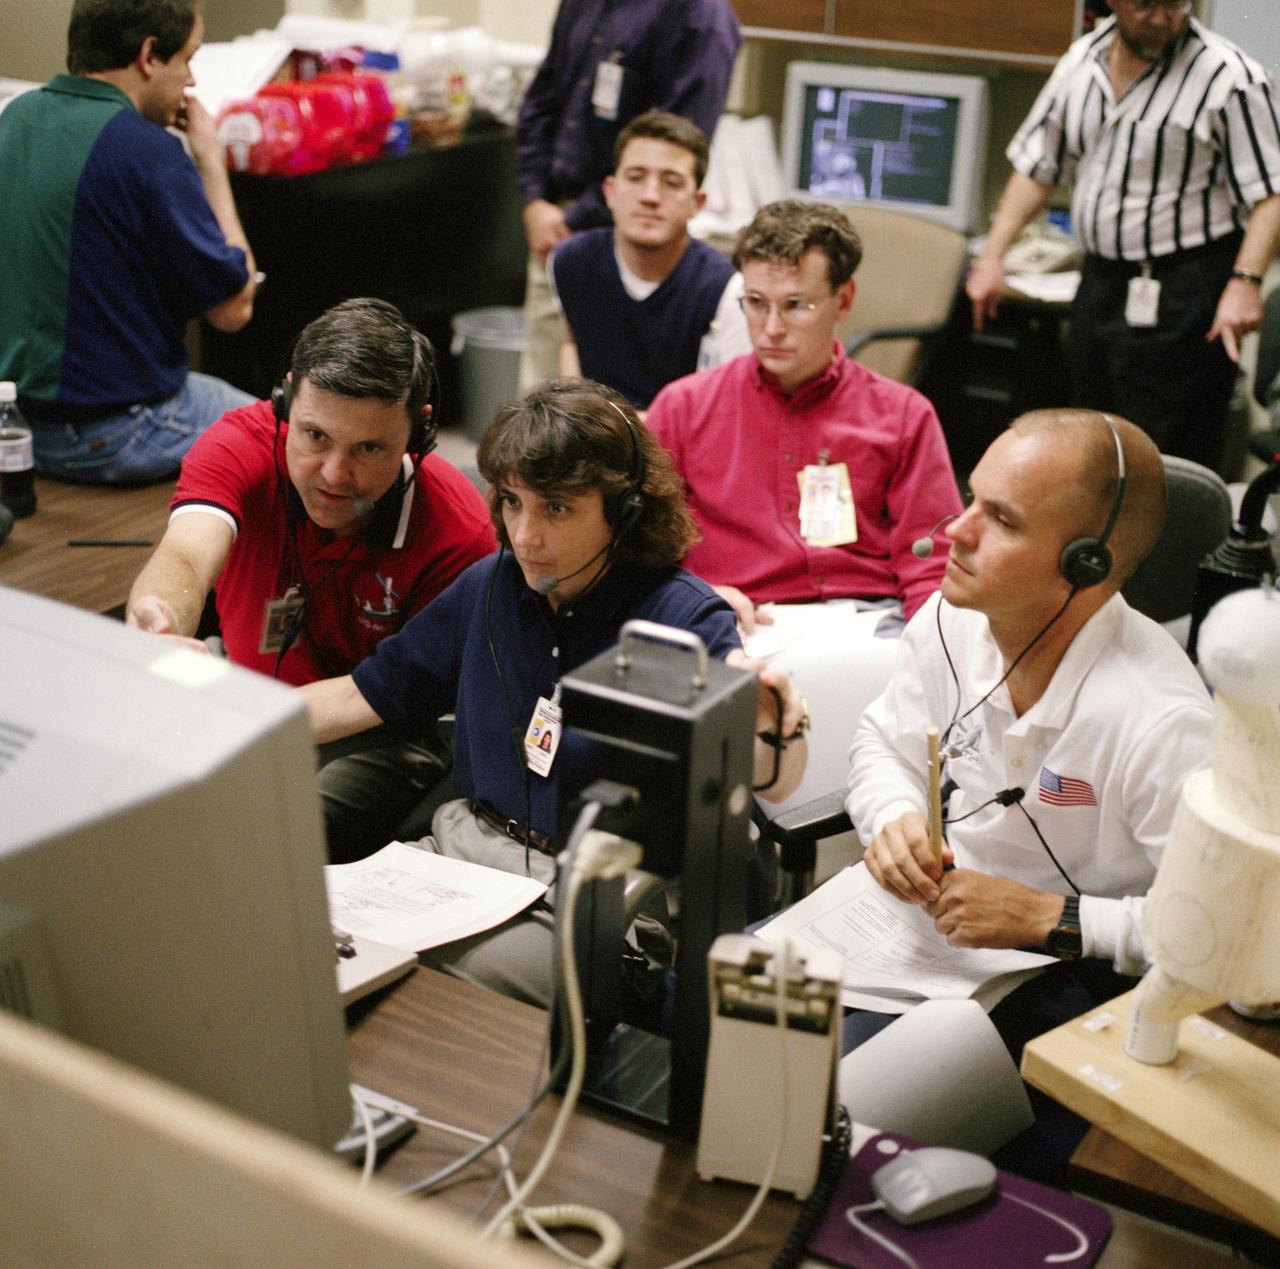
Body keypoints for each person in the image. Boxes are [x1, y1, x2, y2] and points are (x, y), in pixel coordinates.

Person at [302, 379, 806, 1008]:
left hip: (600, 889)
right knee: (306, 933)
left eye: (556, 508)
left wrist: (771, 730)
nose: (525, 533)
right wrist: (232, 721)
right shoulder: (491, 585)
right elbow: (359, 697)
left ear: (624, 510)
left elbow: (766, 779)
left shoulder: (678, 618)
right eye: (512, 502)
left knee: (426, 986)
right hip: (462, 857)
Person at [847, 410, 1212, 1085]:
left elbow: (1213, 937)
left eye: (1003, 520)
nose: (956, 531)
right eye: (971, 499)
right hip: (938, 937)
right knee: (737, 1013)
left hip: (1078, 977)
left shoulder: (1163, 721)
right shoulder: (952, 618)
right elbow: (881, 740)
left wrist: (1048, 916)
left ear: (1086, 565)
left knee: (837, 1087)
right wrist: (894, 816)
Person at [126, 298, 497, 860]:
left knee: (256, 835)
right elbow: (185, 553)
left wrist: (238, 725)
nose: (333, 474)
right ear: (286, 400)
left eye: (368, 448)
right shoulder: (241, 442)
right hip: (244, 700)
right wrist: (161, 619)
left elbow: (379, 697)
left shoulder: (458, 534)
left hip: (377, 731)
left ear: (418, 435)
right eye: (315, 436)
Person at [966, 1, 1280, 474]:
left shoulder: (1230, 77)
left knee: (1164, 456)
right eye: (1144, 4)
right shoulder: (1081, 60)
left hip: (1186, 289)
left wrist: (1246, 282)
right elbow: (1038, 166)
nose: (1160, 18)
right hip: (1101, 281)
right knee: (1092, 441)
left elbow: (1271, 192)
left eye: (1174, 3)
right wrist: (992, 257)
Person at [646, 199, 963, 630]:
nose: (772, 327)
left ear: (843, 301)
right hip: (734, 617)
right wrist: (693, 596)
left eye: (796, 305)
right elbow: (640, 551)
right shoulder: (683, 408)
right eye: (756, 302)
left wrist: (932, 652)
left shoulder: (903, 414)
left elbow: (931, 562)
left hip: (868, 619)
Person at [0, 0, 259, 485]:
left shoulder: (15, 119)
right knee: (293, 434)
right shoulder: (146, 151)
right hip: (113, 432)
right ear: (149, 55)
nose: (191, 81)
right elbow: (233, 309)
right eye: (187, 59)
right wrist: (210, 162)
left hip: (17, 427)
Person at [514, 0, 741, 392]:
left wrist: (576, 218)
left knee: (627, 412)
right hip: (554, 223)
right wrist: (535, 200)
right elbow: (541, 100)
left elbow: (673, 153)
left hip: (628, 237)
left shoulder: (701, 15)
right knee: (541, 406)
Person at [549, 110, 749, 410]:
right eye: (635, 177)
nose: (651, 196)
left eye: (671, 182)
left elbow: (723, 413)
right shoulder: (571, 261)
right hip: (595, 439)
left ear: (698, 203)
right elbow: (573, 344)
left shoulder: (726, 289)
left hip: (681, 446)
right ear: (610, 192)